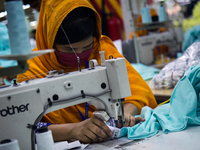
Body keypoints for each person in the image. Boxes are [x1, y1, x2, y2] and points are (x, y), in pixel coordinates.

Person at [17, 0, 157, 144]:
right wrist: (73, 130)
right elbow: (23, 128)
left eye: (86, 48)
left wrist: (126, 113)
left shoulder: (103, 49)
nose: (79, 56)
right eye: (69, 50)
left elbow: (138, 91)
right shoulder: (31, 70)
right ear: (49, 42)